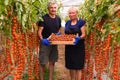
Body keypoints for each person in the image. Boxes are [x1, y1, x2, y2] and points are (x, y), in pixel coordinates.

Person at [37, 1, 61, 80]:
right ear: (48, 9)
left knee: (52, 62)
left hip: (54, 43)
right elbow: (39, 31)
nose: (53, 9)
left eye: (54, 7)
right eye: (51, 8)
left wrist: (58, 34)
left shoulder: (58, 19)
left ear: (56, 8)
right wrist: (42, 39)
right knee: (42, 63)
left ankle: (50, 78)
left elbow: (58, 29)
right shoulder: (44, 18)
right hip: (45, 44)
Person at [64, 7, 86, 80]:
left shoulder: (81, 22)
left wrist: (79, 38)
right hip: (69, 47)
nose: (71, 14)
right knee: (71, 66)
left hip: (78, 47)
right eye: (70, 13)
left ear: (77, 13)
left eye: (73, 13)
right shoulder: (67, 22)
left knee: (78, 67)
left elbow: (84, 34)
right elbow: (65, 34)